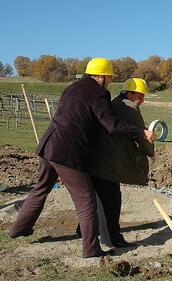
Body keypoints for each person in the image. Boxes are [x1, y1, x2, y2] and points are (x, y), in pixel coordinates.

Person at [8, 58, 155, 258]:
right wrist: (140, 133)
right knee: (86, 201)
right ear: (102, 76)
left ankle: (18, 229)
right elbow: (111, 125)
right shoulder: (99, 93)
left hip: (48, 145)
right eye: (110, 76)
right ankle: (91, 249)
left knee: (40, 188)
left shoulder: (72, 88)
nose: (110, 80)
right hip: (68, 153)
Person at [79, 78, 154, 248]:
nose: (142, 100)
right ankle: (112, 238)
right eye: (140, 96)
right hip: (108, 162)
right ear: (130, 93)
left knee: (99, 198)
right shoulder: (129, 109)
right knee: (111, 200)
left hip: (97, 159)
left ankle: (82, 230)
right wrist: (151, 152)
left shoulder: (115, 103)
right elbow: (143, 139)